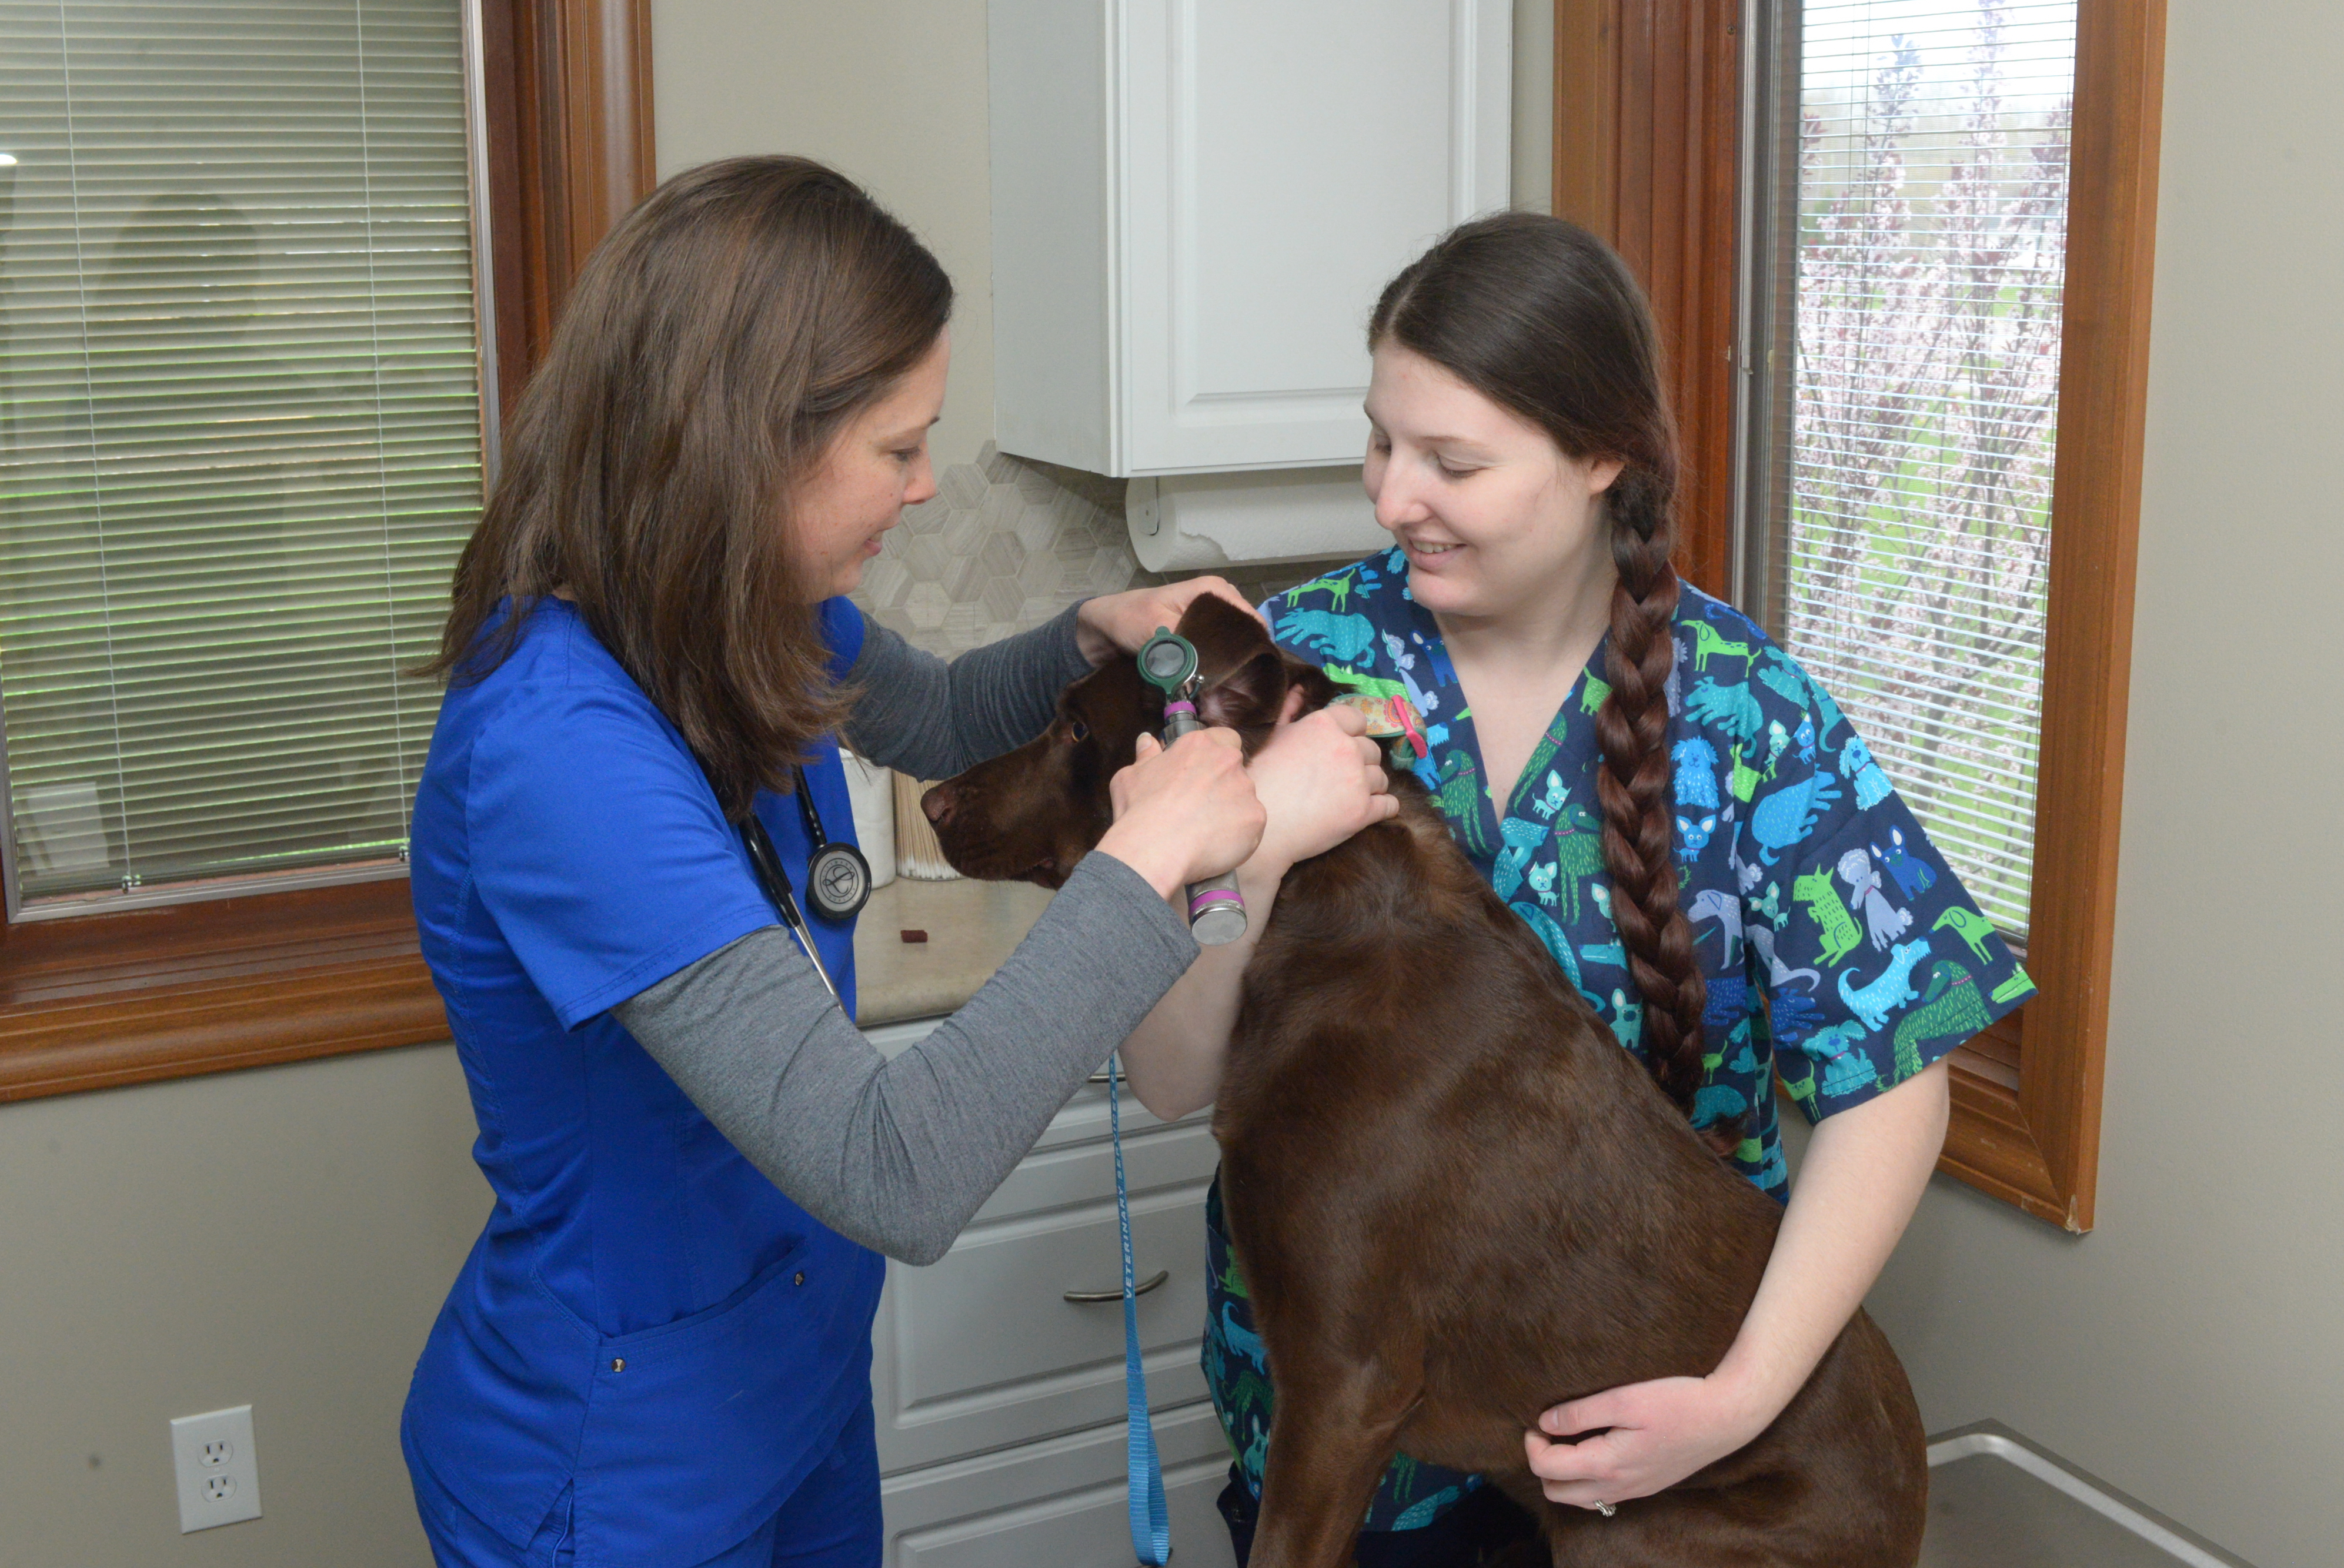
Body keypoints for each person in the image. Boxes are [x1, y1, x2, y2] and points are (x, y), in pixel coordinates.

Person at [397, 156, 1395, 1568]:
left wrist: (1092, 630)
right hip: (624, 1474)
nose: (928, 485)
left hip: (793, 1405)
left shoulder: (737, 606)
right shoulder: (557, 752)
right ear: (747, 445)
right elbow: (892, 1171)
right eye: (898, 445)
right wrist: (1154, 847)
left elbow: (931, 716)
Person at [1117, 212, 2035, 1564]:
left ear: (1602, 455)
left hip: (1661, 1454)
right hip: (1336, 1457)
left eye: (1453, 460)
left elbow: (1895, 1080)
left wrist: (1739, 1396)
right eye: (1381, 439)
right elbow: (1169, 1075)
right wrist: (1248, 854)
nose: (1389, 495)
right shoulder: (1289, 664)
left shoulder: (1745, 713)